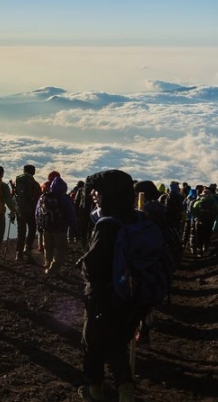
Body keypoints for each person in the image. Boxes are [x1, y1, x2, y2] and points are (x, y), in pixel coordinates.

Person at [77, 170, 144, 402]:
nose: (94, 195)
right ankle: (125, 388)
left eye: (99, 191)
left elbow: (94, 266)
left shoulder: (107, 225)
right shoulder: (136, 219)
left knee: (92, 342)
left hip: (103, 295)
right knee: (116, 342)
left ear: (110, 195)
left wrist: (83, 265)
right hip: (130, 295)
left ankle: (94, 388)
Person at [35, 176, 78, 275]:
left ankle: (48, 263)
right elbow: (71, 214)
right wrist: (74, 228)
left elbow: (37, 212)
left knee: (48, 247)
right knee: (61, 247)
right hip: (60, 229)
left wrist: (39, 225)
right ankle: (53, 267)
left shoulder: (44, 197)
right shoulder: (65, 199)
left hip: (46, 227)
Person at [14, 164, 41, 262]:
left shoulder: (17, 182)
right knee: (32, 228)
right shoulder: (34, 183)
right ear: (32, 171)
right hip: (31, 210)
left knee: (21, 232)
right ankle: (28, 247)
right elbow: (38, 197)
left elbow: (14, 195)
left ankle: (18, 254)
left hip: (20, 210)